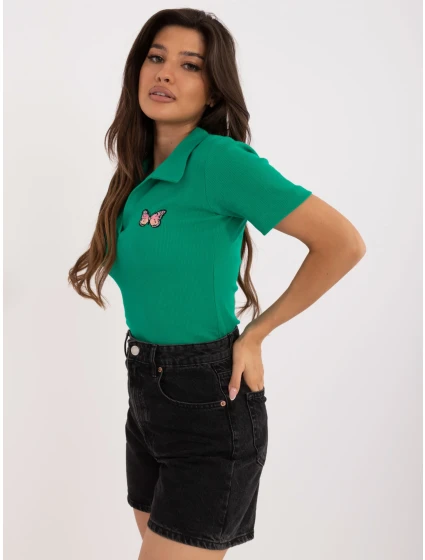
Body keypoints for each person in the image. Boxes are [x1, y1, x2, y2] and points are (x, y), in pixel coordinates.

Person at [68, 8, 366, 560]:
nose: (165, 73)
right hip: (146, 395)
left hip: (208, 400)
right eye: (156, 57)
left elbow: (342, 243)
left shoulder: (220, 161)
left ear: (212, 90)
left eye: (190, 65)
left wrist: (256, 334)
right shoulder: (138, 176)